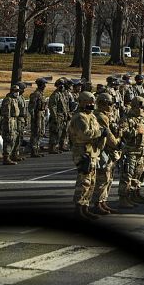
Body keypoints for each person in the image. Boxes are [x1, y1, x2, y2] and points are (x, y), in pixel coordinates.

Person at [68, 91, 101, 220]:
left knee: (91, 182)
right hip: (82, 152)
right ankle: (78, 208)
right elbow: (84, 134)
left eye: (92, 102)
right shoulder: (79, 117)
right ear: (82, 102)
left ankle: (85, 207)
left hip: (91, 151)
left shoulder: (91, 116)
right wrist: (99, 133)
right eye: (88, 102)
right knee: (84, 181)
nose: (91, 104)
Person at [117, 96, 144, 207]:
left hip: (142, 150)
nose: (142, 109)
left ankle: (135, 194)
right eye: (140, 107)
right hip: (130, 151)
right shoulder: (126, 118)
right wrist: (136, 131)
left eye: (143, 107)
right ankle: (123, 198)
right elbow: (122, 132)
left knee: (138, 174)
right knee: (127, 176)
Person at [91, 92, 121, 215]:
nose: (111, 106)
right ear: (102, 104)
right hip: (103, 149)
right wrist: (117, 143)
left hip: (109, 150)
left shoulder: (106, 115)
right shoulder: (100, 116)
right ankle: (97, 203)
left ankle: (103, 201)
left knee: (108, 178)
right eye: (109, 103)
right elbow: (108, 135)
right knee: (102, 178)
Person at [0, 84, 21, 165]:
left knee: (13, 138)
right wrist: (8, 125)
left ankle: (11, 155)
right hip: (9, 122)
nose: (17, 93)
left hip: (14, 121)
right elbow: (6, 113)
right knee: (8, 139)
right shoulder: (8, 100)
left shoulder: (14, 99)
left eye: (18, 91)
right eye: (16, 91)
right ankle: (6, 157)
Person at [48, 78, 69, 153]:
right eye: (61, 85)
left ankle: (58, 146)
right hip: (57, 116)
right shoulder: (55, 95)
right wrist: (55, 117)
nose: (62, 87)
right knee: (55, 132)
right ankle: (52, 148)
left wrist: (66, 114)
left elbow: (65, 106)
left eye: (63, 85)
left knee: (60, 132)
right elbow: (52, 106)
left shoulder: (62, 94)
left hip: (62, 116)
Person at [28, 78, 47, 157]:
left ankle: (37, 149)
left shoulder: (41, 94)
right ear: (40, 85)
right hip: (37, 114)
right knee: (36, 132)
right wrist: (33, 117)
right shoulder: (36, 94)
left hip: (41, 114)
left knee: (40, 132)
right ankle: (33, 150)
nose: (45, 86)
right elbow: (31, 107)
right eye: (44, 84)